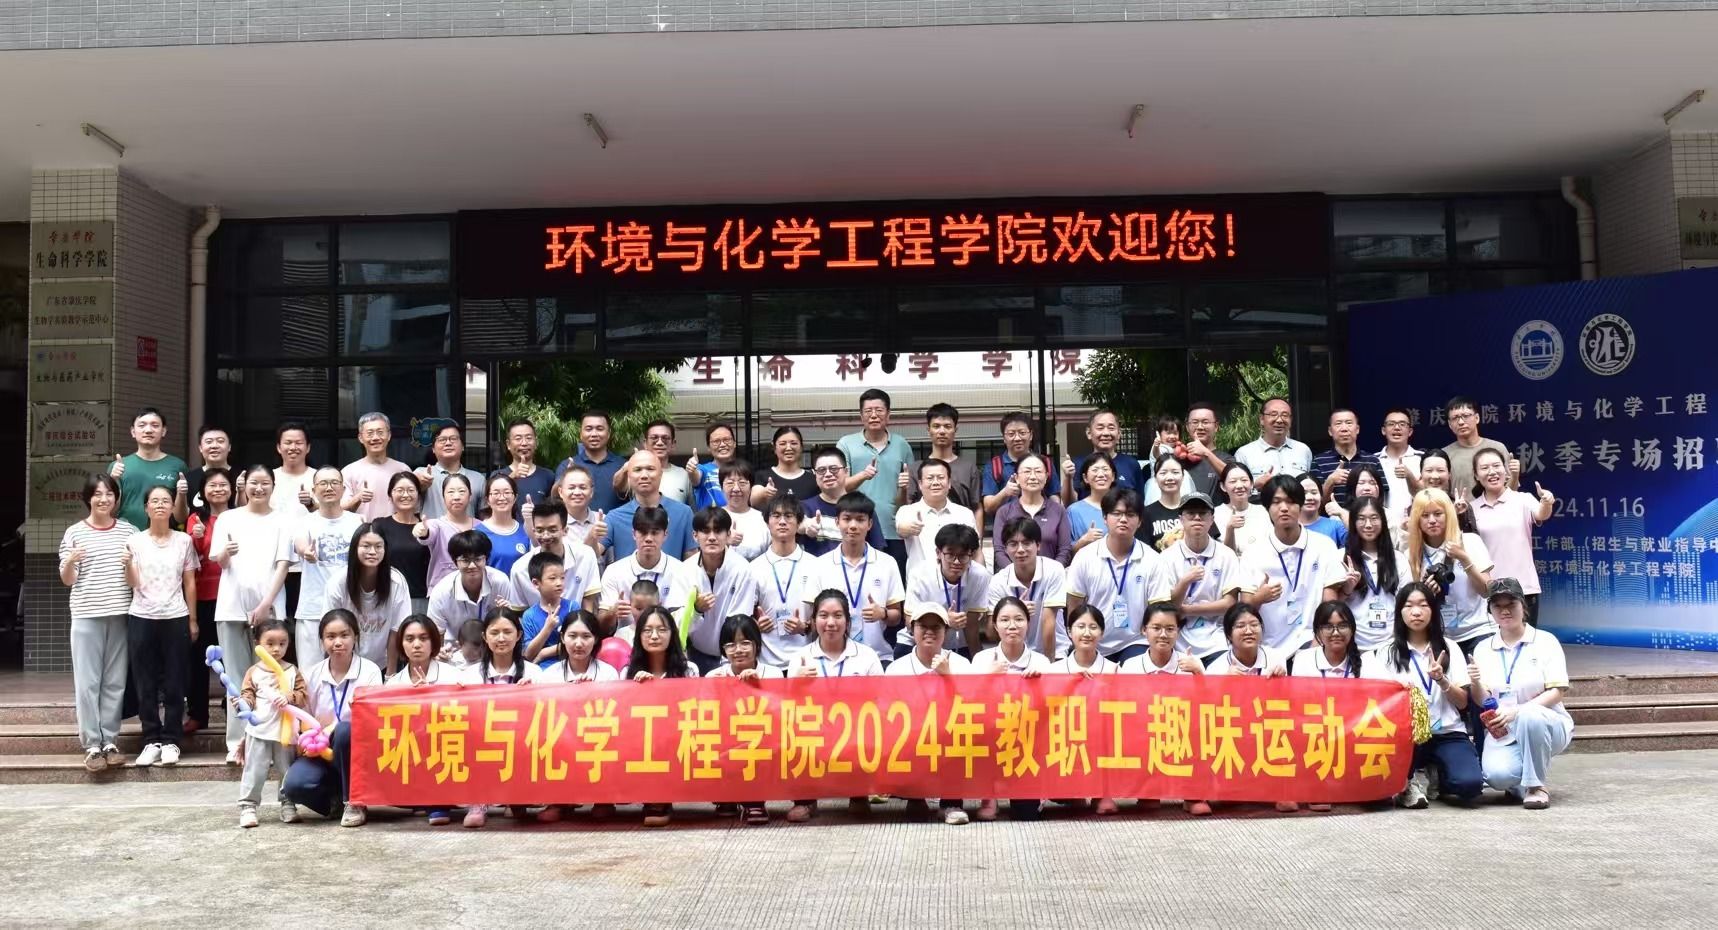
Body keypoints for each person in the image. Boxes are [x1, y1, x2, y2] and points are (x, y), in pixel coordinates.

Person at [1363, 584, 1483, 808]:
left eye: (1423, 605)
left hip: (1447, 732)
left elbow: (1463, 703)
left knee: (1470, 785)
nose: (1416, 612)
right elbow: (1378, 703)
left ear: (1433, 610)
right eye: (1409, 606)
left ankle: (1436, 774)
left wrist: (1442, 680)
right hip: (1406, 735)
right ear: (1399, 612)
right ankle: (1409, 781)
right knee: (1379, 784)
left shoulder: (1450, 648)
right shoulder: (1387, 652)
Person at [210, 465, 296, 763]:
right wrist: (226, 553)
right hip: (231, 608)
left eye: (265, 483)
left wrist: (265, 605)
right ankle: (237, 743)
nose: (259, 488)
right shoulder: (228, 518)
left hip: (270, 610)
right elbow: (219, 562)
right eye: (253, 483)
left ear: (273, 486)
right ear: (244, 486)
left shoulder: (283, 519)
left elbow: (283, 565)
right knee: (235, 678)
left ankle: (268, 742)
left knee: (270, 678)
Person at [1468, 578, 1572, 809]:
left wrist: (1519, 711)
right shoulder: (1483, 648)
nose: (1504, 611)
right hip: (1505, 729)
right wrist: (1475, 682)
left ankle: (1536, 786)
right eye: (1497, 606)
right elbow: (1483, 700)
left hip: (1547, 722)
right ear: (1490, 611)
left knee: (1529, 716)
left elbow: (1557, 691)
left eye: (1511, 604)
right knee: (1497, 776)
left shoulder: (1545, 641)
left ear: (1523, 607)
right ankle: (1520, 785)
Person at [62, 473, 139, 773]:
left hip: (120, 614)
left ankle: (110, 741)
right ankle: (92, 745)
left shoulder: (129, 531)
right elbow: (68, 580)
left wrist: (130, 565)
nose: (103, 499)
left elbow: (134, 577)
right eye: (97, 494)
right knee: (87, 682)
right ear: (88, 498)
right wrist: (71, 561)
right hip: (86, 615)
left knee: (115, 681)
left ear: (116, 498)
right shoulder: (74, 532)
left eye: (109, 493)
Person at [279, 609, 383, 826]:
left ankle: (354, 802)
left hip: (358, 751)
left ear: (355, 637)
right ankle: (334, 803)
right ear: (321, 641)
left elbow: (375, 718)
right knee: (294, 786)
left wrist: (348, 718)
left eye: (344, 635)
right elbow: (304, 717)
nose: (338, 642)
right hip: (320, 749)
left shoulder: (370, 671)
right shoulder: (312, 674)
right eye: (330, 636)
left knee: (344, 730)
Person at [123, 484, 199, 767]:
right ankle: (151, 740)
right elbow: (132, 582)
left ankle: (171, 741)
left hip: (175, 616)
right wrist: (127, 565)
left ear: (172, 507)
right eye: (154, 501)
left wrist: (192, 619)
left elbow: (189, 582)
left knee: (176, 681)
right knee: (145, 682)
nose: (160, 505)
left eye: (165, 500)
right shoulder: (135, 541)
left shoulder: (184, 541)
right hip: (142, 616)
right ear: (146, 508)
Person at [883, 604, 972, 826]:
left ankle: (951, 803)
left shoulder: (961, 664)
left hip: (949, 733)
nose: (929, 632)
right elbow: (885, 712)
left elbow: (972, 706)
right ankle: (915, 796)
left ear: (946, 631)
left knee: (958, 736)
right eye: (923, 626)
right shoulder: (896, 668)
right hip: (911, 735)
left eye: (936, 627)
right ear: (912, 629)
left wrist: (948, 677)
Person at [1239, 475, 1346, 660]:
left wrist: (1320, 639)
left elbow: (1330, 603)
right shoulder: (1253, 553)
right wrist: (1260, 598)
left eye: (1290, 501)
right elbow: (1244, 609)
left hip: (1313, 643)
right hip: (1268, 648)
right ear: (1267, 507)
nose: (1284, 508)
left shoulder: (1324, 545)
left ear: (1300, 505)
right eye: (1276, 502)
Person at [971, 596, 1049, 822]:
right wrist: (987, 677)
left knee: (1027, 814)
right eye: (1004, 620)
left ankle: (1034, 791)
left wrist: (1038, 687)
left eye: (1019, 619)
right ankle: (989, 794)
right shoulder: (982, 659)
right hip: (991, 733)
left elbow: (1051, 709)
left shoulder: (1041, 661)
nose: (1012, 625)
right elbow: (968, 702)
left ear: (1028, 623)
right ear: (995, 625)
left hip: (1027, 739)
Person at [1147, 492, 1249, 664]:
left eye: (1202, 513)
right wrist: (1184, 582)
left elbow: (1229, 604)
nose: (1197, 518)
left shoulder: (1227, 555)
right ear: (1181, 519)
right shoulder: (1166, 557)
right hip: (1178, 638)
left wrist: (1187, 610)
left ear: (1212, 519)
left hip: (1217, 637)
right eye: (1190, 513)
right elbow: (1167, 608)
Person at [703, 613, 783, 825]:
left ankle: (754, 799)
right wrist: (717, 691)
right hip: (726, 741)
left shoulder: (773, 674)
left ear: (757, 645)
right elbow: (706, 719)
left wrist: (757, 689)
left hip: (761, 742)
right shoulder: (714, 677)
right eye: (731, 645)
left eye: (745, 643)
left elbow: (780, 716)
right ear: (723, 650)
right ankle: (727, 795)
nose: (738, 650)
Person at [1065, 488, 1161, 664]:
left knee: (1132, 674)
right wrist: (1076, 638)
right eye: (1116, 514)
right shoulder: (1085, 556)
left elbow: (1157, 609)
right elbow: (1074, 603)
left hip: (1136, 640)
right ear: (1105, 518)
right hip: (1093, 638)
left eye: (1130, 515)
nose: (1123, 519)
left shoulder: (1152, 559)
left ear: (1140, 521)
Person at [806, 494, 904, 662]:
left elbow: (896, 617)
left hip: (877, 656)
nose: (853, 526)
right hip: (831, 657)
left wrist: (883, 613)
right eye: (847, 519)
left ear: (870, 524)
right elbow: (812, 618)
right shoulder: (820, 565)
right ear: (837, 522)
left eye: (860, 519)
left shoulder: (887, 563)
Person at [624, 606, 698, 828]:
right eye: (647, 630)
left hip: (679, 736)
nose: (654, 636)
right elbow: (624, 717)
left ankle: (661, 797)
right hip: (643, 741)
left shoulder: (689, 670)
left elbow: (695, 708)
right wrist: (639, 690)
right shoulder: (627, 673)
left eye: (662, 630)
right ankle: (652, 796)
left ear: (672, 634)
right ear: (639, 636)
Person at [1405, 489, 1495, 658]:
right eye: (1425, 515)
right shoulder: (1412, 554)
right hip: (1438, 636)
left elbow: (1486, 591)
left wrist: (1464, 559)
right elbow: (1410, 604)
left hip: (1478, 630)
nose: (1432, 520)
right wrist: (1426, 594)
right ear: (1417, 519)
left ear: (1449, 514)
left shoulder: (1470, 541)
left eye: (1438, 514)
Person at [1470, 447, 1555, 627]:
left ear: (1506, 470)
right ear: (1476, 475)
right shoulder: (1471, 508)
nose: (1492, 472)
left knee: (1525, 641)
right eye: (1485, 468)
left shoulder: (1523, 499)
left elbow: (1542, 514)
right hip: (1488, 591)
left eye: (1496, 466)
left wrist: (1547, 502)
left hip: (1524, 589)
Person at [234, 620, 306, 828]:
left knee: (287, 769)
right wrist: (242, 704)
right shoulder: (254, 671)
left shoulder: (292, 671)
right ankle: (248, 806)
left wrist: (289, 697)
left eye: (282, 643)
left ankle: (288, 803)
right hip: (259, 730)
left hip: (285, 731)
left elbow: (303, 695)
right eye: (270, 643)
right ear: (258, 644)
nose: (276, 649)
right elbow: (247, 695)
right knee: (255, 769)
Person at [290, 465, 364, 666]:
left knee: (352, 669)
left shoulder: (358, 522)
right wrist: (306, 552)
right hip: (312, 608)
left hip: (350, 607)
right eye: (323, 483)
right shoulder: (304, 522)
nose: (329, 487)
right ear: (314, 490)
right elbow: (299, 543)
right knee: (309, 671)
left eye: (334, 483)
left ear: (343, 489)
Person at [836, 389, 915, 570]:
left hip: (893, 529)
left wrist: (904, 488)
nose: (873, 415)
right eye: (868, 411)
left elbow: (908, 499)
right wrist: (863, 475)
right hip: (857, 527)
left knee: (895, 580)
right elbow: (839, 487)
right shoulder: (846, 444)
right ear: (861, 416)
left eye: (879, 410)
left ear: (888, 415)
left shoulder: (902, 445)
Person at [683, 507, 760, 674]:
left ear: (728, 535)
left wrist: (728, 665)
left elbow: (739, 620)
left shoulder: (742, 569)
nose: (712, 537)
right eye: (705, 531)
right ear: (695, 536)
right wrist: (696, 610)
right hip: (695, 653)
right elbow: (681, 625)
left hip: (734, 657)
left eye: (718, 531)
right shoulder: (684, 570)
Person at [185, 468, 231, 735]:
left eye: (223, 484)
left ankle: (233, 710)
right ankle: (197, 714)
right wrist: (198, 536)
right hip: (203, 597)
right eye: (212, 485)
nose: (218, 489)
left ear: (232, 489)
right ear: (202, 491)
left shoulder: (239, 517)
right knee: (198, 658)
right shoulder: (195, 519)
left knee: (232, 657)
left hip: (233, 596)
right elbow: (190, 557)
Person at [327, 522, 411, 671]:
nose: (372, 551)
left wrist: (390, 673)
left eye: (378, 546)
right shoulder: (338, 581)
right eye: (366, 546)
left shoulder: (396, 581)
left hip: (383, 664)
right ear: (355, 548)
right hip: (346, 663)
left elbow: (396, 630)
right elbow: (330, 628)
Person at [899, 524, 991, 659]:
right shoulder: (919, 574)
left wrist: (976, 660)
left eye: (963, 555)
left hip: (958, 643)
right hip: (918, 641)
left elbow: (971, 625)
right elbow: (909, 621)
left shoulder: (980, 575)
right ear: (938, 553)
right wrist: (944, 621)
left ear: (971, 555)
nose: (956, 562)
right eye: (950, 555)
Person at [985, 518, 1069, 659]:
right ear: (1005, 549)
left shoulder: (1054, 570)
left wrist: (1049, 665)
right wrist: (1014, 611)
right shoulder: (998, 581)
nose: (1020, 550)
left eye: (1026, 543)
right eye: (1013, 544)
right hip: (1015, 654)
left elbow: (1048, 621)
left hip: (1054, 651)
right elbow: (991, 633)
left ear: (1038, 545)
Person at [748, 496, 816, 669]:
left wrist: (805, 627)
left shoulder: (815, 565)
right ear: (767, 522)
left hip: (807, 661)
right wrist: (755, 626)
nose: (782, 521)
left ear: (799, 522)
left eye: (789, 515)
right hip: (766, 664)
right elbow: (744, 617)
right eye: (776, 515)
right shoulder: (753, 568)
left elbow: (825, 613)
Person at [599, 505, 690, 631]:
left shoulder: (680, 571)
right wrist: (612, 613)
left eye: (655, 533)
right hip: (626, 640)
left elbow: (684, 624)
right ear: (633, 534)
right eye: (643, 532)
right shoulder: (614, 571)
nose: (648, 539)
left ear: (665, 535)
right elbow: (601, 627)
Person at [509, 499, 600, 617]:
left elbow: (588, 603)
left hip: (576, 624)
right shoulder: (520, 569)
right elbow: (519, 614)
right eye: (540, 530)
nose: (546, 536)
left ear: (565, 530)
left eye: (552, 530)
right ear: (533, 531)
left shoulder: (585, 555)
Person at [426, 530, 516, 645]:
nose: (472, 566)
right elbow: (436, 635)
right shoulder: (441, 591)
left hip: (494, 647)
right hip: (455, 648)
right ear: (455, 562)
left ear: (486, 559)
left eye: (478, 559)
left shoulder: (500, 581)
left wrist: (507, 614)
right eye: (465, 560)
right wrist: (442, 652)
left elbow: (511, 626)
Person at [1340, 497, 1406, 651]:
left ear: (1383, 521)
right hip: (1353, 644)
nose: (1368, 524)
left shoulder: (1398, 559)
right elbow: (1330, 606)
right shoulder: (1341, 558)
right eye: (1361, 519)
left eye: (1374, 518)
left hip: (1391, 645)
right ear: (1353, 522)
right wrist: (1346, 590)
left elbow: (1406, 602)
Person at [108, 407, 189, 532]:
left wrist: (182, 493)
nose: (148, 430)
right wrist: (113, 480)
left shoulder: (178, 466)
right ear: (133, 431)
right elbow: (109, 513)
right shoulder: (118, 466)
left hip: (165, 537)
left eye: (155, 425)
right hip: (125, 537)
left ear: (163, 431)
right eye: (142, 425)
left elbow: (181, 518)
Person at [605, 450, 697, 561]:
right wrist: (592, 536)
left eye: (650, 469)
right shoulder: (615, 517)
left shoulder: (683, 513)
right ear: (629, 475)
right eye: (637, 470)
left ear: (661, 474)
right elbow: (591, 553)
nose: (644, 475)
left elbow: (692, 560)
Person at [896, 458, 979, 577]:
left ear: (949, 483)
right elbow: (901, 529)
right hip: (921, 582)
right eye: (930, 478)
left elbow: (976, 552)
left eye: (940, 478)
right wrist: (909, 528)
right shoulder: (907, 511)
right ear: (920, 484)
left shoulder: (965, 513)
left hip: (959, 581)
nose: (935, 482)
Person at [799, 445, 886, 557]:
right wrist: (805, 527)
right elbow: (798, 526)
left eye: (834, 469)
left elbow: (877, 548)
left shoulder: (862, 506)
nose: (828, 474)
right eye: (821, 470)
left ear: (846, 471)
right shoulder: (804, 507)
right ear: (814, 473)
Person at [991, 452, 1071, 569]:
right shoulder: (1004, 512)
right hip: (1012, 577)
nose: (1033, 477)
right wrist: (1016, 574)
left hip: (1050, 577)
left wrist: (1051, 573)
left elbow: (1064, 550)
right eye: (1027, 471)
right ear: (1017, 478)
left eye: (1038, 471)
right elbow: (999, 550)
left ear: (1046, 477)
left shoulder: (1058, 511)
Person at [903, 403, 983, 516]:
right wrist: (902, 490)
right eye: (936, 426)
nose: (942, 431)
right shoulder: (915, 468)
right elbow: (906, 507)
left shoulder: (969, 468)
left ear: (955, 430)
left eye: (947, 426)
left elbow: (977, 507)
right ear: (928, 430)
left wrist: (977, 528)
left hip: (962, 526)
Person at [373, 471, 431, 615]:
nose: (405, 495)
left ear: (418, 495)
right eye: (399, 490)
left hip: (421, 598)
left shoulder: (428, 526)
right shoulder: (380, 525)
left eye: (411, 490)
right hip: (388, 597)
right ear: (390, 495)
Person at [982, 411, 1059, 514]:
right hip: (1006, 522)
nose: (1017, 438)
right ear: (1004, 438)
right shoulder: (994, 466)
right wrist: (1005, 492)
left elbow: (1055, 498)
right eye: (1011, 434)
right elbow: (987, 507)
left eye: (1022, 433)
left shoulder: (1044, 463)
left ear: (1031, 435)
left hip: (1040, 521)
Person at [1441, 396, 1515, 502]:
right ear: (1449, 424)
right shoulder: (1444, 455)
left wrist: (1515, 475)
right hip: (1460, 511)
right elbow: (1441, 493)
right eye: (1455, 418)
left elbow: (1512, 491)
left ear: (1477, 418)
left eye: (1466, 416)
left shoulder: (1497, 448)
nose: (1461, 422)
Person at [1062, 410, 1145, 503]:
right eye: (1100, 428)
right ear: (1089, 433)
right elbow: (1069, 503)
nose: (1106, 433)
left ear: (1119, 434)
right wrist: (1068, 478)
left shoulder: (1131, 464)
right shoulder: (1077, 464)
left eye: (1111, 428)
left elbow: (1139, 502)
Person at [1233, 398, 1312, 491]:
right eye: (1273, 414)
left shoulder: (1303, 450)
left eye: (1285, 415)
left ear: (1291, 420)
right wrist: (1254, 485)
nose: (1279, 420)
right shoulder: (1244, 453)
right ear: (1262, 419)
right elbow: (1237, 490)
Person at [415, 472, 477, 591]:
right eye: (451, 492)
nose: (456, 497)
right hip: (442, 592)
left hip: (474, 592)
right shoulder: (436, 524)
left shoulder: (481, 526)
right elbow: (427, 535)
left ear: (470, 496)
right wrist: (422, 532)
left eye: (462, 491)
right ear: (443, 497)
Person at [341, 412, 408, 521]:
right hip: (363, 529)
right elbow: (340, 510)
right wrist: (358, 498)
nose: (376, 438)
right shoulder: (349, 471)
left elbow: (413, 506)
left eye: (380, 432)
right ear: (360, 438)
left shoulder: (402, 469)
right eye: (370, 433)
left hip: (396, 529)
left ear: (389, 435)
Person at [555, 409, 625, 513]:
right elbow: (555, 497)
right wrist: (565, 477)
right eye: (588, 429)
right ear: (581, 434)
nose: (594, 434)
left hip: (615, 523)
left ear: (609, 433)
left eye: (599, 429)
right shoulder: (568, 465)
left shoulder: (622, 465)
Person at [1312, 409, 1381, 508]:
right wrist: (1330, 481)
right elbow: (1314, 504)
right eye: (1338, 424)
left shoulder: (1373, 460)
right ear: (1330, 431)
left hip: (1365, 517)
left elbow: (1382, 498)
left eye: (1349, 423)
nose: (1344, 428)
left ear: (1357, 429)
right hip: (1331, 517)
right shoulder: (1318, 461)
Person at [414, 423, 483, 520]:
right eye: (442, 440)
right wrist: (418, 484)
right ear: (433, 449)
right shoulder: (421, 474)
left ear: (463, 446)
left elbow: (485, 516)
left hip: (468, 530)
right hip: (432, 530)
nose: (448, 443)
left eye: (453, 439)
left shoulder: (478, 479)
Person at [518, 552, 573, 668]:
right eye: (552, 578)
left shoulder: (572, 607)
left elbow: (576, 642)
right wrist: (548, 628)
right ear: (536, 583)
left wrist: (544, 653)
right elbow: (528, 655)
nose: (559, 583)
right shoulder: (529, 615)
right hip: (540, 670)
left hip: (569, 666)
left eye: (562, 578)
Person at [1121, 602, 1205, 676]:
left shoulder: (1193, 664)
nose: (1163, 635)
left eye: (1170, 629)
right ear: (1144, 630)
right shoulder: (1130, 667)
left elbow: (1206, 689)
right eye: (1156, 628)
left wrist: (1198, 673)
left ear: (1178, 632)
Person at [1208, 603, 1288, 676]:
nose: (1249, 631)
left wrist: (1280, 681)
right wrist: (1224, 682)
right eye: (1240, 626)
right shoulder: (1215, 669)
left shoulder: (1276, 659)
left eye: (1254, 625)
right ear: (1229, 634)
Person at [476, 473, 532, 577]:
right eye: (496, 493)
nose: (502, 498)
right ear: (487, 499)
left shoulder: (526, 531)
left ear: (515, 497)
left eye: (507, 492)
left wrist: (530, 521)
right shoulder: (477, 533)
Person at [492, 418, 555, 509]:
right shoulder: (497, 476)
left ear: (536, 442)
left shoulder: (548, 476)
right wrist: (511, 477)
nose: (524, 443)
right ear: (508, 444)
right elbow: (489, 507)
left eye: (529, 438)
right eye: (518, 439)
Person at [175, 424, 234, 521]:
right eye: (209, 442)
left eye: (220, 441)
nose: (214, 446)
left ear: (229, 447)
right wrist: (181, 494)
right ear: (200, 448)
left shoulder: (242, 477)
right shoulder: (188, 479)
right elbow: (180, 519)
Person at [544, 610, 621, 682]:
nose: (579, 644)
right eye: (572, 636)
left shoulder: (608, 675)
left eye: (586, 636)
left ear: (596, 639)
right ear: (562, 637)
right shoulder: (549, 676)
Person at [751, 425, 818, 508]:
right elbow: (753, 501)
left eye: (793, 443)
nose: (788, 448)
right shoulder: (762, 476)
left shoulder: (812, 479)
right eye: (782, 444)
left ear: (801, 447)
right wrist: (764, 492)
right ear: (774, 448)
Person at [1293, 601, 1364, 680]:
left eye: (1342, 626)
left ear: (1352, 630)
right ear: (1318, 633)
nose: (1336, 633)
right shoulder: (1303, 660)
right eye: (1328, 627)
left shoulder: (1365, 664)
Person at [1213, 462, 1271, 556]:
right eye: (1233, 481)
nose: (1239, 486)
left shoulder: (1264, 512)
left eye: (1244, 480)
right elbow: (1223, 556)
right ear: (1223, 486)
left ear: (1251, 484)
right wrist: (1230, 529)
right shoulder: (1215, 515)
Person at [386, 614, 459, 687]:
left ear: (433, 642)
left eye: (423, 638)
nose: (416, 645)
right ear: (401, 644)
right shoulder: (393, 685)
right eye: (410, 639)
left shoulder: (454, 678)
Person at [1415, 449, 1477, 534]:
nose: (1435, 476)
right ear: (1421, 474)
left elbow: (1473, 538)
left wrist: (1459, 515)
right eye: (1429, 470)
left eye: (1440, 470)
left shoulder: (1462, 506)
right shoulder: (1415, 506)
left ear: (1449, 474)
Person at [719, 461, 769, 560]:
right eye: (730, 483)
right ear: (721, 487)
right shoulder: (713, 517)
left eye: (742, 483)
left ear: (751, 488)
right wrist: (725, 542)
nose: (736, 489)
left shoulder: (763, 519)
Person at [1067, 452, 1113, 558]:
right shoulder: (1074, 511)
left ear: (1113, 476)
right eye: (1095, 470)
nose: (1100, 474)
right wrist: (1084, 541)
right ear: (1085, 478)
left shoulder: (1123, 508)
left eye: (1105, 469)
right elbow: (1066, 554)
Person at [1139, 453, 1189, 551]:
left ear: (1183, 476)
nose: (1169, 478)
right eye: (1163, 473)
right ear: (1155, 478)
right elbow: (1143, 551)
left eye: (1175, 472)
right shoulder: (1146, 514)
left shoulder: (1196, 508)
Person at [556, 466, 609, 558]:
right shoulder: (554, 524)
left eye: (582, 487)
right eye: (571, 488)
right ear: (560, 492)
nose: (577, 492)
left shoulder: (605, 521)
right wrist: (591, 537)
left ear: (591, 492)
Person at [1180, 402, 1230, 497]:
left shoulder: (1226, 459)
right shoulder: (1179, 458)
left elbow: (1234, 477)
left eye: (1205, 422)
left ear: (1216, 426)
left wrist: (1206, 453)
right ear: (1187, 427)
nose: (1200, 427)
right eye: (1195, 422)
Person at [1050, 604, 1117, 675]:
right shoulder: (1054, 672)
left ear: (1102, 633)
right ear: (1069, 631)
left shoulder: (1114, 671)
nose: (1087, 633)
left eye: (1093, 627)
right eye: (1081, 627)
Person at [685, 421, 738, 510]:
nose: (722, 445)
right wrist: (692, 470)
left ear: (734, 443)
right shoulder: (703, 469)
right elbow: (696, 478)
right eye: (716, 441)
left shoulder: (742, 470)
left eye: (727, 440)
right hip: (710, 518)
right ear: (708, 447)